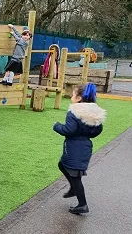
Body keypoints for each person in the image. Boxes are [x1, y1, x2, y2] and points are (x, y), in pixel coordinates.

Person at [53, 83, 106, 214]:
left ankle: (82, 204)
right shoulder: (94, 114)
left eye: (73, 94)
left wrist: (57, 126)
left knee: (76, 177)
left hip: (74, 149)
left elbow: (69, 130)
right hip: (85, 147)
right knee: (62, 165)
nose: (71, 96)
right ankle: (73, 188)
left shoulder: (74, 112)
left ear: (79, 98)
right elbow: (96, 131)